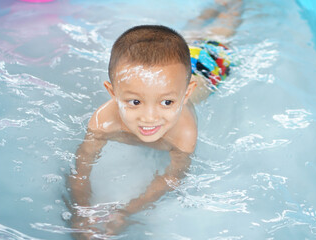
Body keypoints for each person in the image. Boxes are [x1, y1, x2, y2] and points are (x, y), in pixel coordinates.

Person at [66, 0, 242, 239]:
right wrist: (80, 213)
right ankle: (210, 10)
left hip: (206, 68)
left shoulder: (184, 132)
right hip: (172, 70)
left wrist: (128, 212)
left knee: (221, 32)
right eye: (135, 102)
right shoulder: (102, 122)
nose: (149, 118)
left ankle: (232, 5)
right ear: (113, 92)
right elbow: (80, 171)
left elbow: (171, 178)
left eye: (167, 102)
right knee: (192, 31)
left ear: (185, 94)